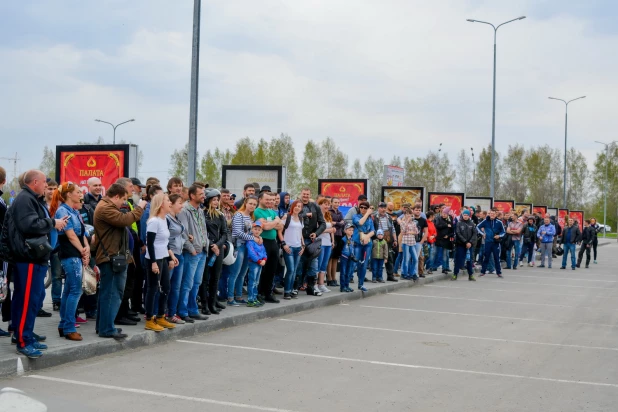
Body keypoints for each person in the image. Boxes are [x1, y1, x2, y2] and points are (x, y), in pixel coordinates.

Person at [0, 170, 66, 358]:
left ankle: (26, 336)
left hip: (34, 257)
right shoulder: (24, 199)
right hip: (28, 257)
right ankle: (22, 340)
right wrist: (52, 222)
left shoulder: (30, 198)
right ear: (35, 182)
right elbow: (29, 224)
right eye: (44, 182)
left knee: (31, 300)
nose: (46, 185)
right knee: (26, 300)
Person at [93, 183, 146, 340]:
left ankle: (103, 326)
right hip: (111, 257)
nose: (124, 203)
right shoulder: (105, 208)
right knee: (112, 293)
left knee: (108, 293)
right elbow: (125, 220)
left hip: (113, 256)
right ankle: (107, 328)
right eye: (123, 199)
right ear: (116, 196)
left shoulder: (106, 205)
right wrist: (140, 207)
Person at [50, 182, 90, 341]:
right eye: (78, 192)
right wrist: (82, 250)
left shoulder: (74, 211)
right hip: (70, 255)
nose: (81, 194)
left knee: (69, 290)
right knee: (75, 290)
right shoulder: (62, 211)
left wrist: (86, 248)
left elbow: (82, 232)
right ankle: (69, 327)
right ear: (68, 195)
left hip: (76, 253)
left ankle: (64, 324)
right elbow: (70, 235)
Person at [143, 193, 178, 332]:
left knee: (166, 287)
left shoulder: (165, 220)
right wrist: (153, 262)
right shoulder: (154, 221)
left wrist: (171, 256)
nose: (170, 202)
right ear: (161, 204)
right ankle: (150, 319)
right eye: (168, 200)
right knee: (153, 289)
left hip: (163, 257)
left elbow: (165, 242)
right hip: (154, 258)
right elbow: (150, 244)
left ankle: (161, 316)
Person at [177, 184, 209, 322]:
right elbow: (183, 232)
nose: (204, 196)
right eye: (201, 194)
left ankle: (193, 309)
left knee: (197, 282)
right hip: (192, 252)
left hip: (202, 251)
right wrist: (191, 249)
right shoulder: (184, 210)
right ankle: (183, 311)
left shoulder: (200, 210)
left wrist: (206, 244)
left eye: (204, 193)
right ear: (192, 195)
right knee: (187, 283)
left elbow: (203, 230)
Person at [200, 189, 229, 315]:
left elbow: (224, 233)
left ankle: (212, 303)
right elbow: (202, 232)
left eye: (217, 200)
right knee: (205, 278)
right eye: (214, 200)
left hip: (218, 250)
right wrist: (211, 245)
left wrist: (217, 245)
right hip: (207, 248)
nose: (216, 202)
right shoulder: (202, 214)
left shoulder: (220, 215)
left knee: (215, 278)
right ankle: (204, 304)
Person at [228, 196, 260, 306]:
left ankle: (239, 296)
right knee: (235, 273)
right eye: (250, 203)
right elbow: (237, 232)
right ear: (245, 203)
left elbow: (250, 233)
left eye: (254, 204)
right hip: (239, 245)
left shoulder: (251, 217)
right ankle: (230, 298)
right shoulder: (239, 215)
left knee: (242, 274)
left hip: (248, 247)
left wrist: (256, 237)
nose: (252, 206)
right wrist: (253, 238)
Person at [255, 191, 284, 303]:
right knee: (262, 269)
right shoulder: (257, 212)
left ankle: (268, 293)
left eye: (272, 200)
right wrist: (275, 221)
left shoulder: (271, 211)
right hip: (263, 242)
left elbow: (281, 226)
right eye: (267, 199)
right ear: (260, 199)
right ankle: (259, 293)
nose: (270, 202)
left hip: (273, 242)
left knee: (272, 269)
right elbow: (266, 227)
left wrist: (272, 223)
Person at [166, 194, 190, 324]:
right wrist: (170, 256)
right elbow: (165, 239)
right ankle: (161, 313)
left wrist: (187, 237)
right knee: (167, 286)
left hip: (179, 254)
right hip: (171, 255)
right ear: (171, 204)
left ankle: (172, 313)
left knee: (176, 286)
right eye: (180, 203)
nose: (182, 206)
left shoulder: (176, 218)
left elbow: (178, 235)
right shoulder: (166, 219)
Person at [298, 188, 326, 296]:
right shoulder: (296, 205)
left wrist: (317, 233)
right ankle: (297, 286)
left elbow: (322, 223)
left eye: (307, 194)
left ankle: (311, 288)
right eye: (304, 194)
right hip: (299, 239)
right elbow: (290, 218)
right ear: (301, 194)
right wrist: (305, 215)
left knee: (314, 265)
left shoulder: (315, 206)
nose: (305, 196)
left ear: (310, 195)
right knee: (299, 264)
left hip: (312, 240)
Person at [279, 200, 304, 299]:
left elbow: (300, 233)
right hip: (289, 247)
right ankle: (287, 291)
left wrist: (303, 245)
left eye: (300, 206)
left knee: (294, 271)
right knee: (290, 269)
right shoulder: (286, 217)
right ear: (292, 207)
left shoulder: (301, 219)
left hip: (298, 247)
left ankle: (291, 290)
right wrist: (284, 244)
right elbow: (279, 231)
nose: (297, 208)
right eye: (296, 206)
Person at [352, 201, 375, 292]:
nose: (363, 209)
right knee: (355, 262)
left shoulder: (370, 219)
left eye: (365, 208)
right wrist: (368, 213)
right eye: (361, 207)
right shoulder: (356, 216)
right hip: (357, 242)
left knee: (364, 264)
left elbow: (373, 231)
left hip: (367, 243)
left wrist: (367, 237)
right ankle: (345, 282)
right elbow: (360, 223)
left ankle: (361, 284)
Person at [372, 202, 397, 282]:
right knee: (377, 258)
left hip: (388, 239)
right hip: (377, 240)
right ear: (378, 208)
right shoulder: (374, 217)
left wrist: (395, 239)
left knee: (389, 257)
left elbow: (393, 229)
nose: (383, 209)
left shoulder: (389, 217)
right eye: (381, 207)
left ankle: (390, 275)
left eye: (384, 208)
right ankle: (376, 277)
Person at [477, 209, 505, 278]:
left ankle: (499, 272)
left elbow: (503, 232)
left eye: (493, 214)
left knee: (496, 258)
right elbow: (477, 227)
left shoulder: (499, 222)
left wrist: (499, 236)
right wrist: (482, 234)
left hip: (495, 243)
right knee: (486, 257)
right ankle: (483, 272)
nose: (492, 215)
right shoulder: (485, 221)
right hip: (488, 242)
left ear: (496, 214)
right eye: (491, 214)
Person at [246, 221, 267, 307]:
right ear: (252, 229)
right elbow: (251, 253)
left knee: (256, 281)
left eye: (259, 230)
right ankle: (250, 299)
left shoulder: (260, 241)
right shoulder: (250, 240)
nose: (257, 231)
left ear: (261, 231)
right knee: (252, 281)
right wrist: (258, 260)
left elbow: (264, 251)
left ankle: (254, 298)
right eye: (255, 229)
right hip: (254, 263)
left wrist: (264, 259)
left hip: (260, 263)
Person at [452, 209, 477, 281]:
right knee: (458, 260)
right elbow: (458, 233)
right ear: (462, 215)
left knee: (469, 260)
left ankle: (470, 275)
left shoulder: (472, 224)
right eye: (464, 215)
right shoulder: (459, 223)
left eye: (467, 215)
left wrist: (470, 242)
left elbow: (474, 234)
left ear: (469, 216)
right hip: (461, 244)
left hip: (469, 245)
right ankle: (455, 274)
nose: (465, 216)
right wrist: (465, 242)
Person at [397, 204, 419, 281]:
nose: (409, 216)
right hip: (405, 242)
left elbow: (416, 231)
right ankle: (404, 274)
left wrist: (410, 232)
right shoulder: (403, 222)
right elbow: (403, 231)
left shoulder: (413, 223)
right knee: (406, 259)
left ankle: (412, 273)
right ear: (405, 215)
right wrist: (407, 223)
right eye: (407, 214)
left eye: (410, 214)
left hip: (412, 242)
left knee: (415, 259)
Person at [327, 197, 345, 287]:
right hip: (331, 235)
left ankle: (334, 278)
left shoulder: (340, 212)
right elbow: (331, 223)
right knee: (330, 257)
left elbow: (343, 223)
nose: (337, 204)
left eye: (338, 202)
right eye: (335, 202)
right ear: (331, 203)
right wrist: (338, 223)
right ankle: (329, 278)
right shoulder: (329, 212)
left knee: (336, 258)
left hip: (339, 235)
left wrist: (337, 223)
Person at [433, 207, 453, 274]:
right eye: (443, 213)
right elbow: (437, 226)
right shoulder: (438, 218)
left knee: (445, 254)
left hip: (446, 239)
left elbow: (452, 231)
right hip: (438, 238)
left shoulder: (449, 221)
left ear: (447, 214)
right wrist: (446, 225)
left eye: (445, 214)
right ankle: (432, 267)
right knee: (435, 253)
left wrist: (448, 235)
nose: (444, 215)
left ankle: (444, 268)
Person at [411, 204, 428, 278]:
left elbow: (426, 231)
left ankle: (415, 273)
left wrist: (422, 241)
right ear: (413, 210)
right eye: (416, 210)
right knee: (409, 258)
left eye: (419, 210)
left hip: (418, 241)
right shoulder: (410, 219)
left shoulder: (423, 220)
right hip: (410, 241)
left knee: (416, 258)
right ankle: (409, 272)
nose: (418, 211)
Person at [338, 224, 356, 293]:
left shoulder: (352, 239)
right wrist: (340, 256)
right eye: (349, 230)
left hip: (350, 257)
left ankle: (347, 285)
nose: (351, 231)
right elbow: (340, 248)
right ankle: (342, 287)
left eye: (352, 230)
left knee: (348, 272)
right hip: (344, 257)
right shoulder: (343, 239)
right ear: (345, 231)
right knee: (343, 272)